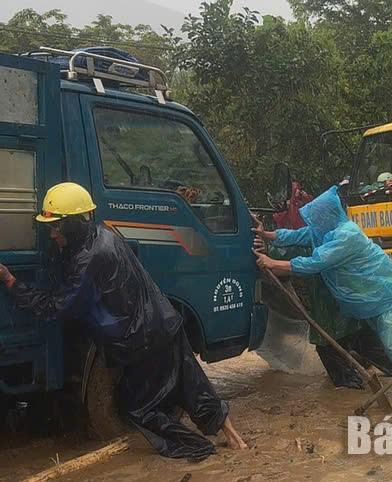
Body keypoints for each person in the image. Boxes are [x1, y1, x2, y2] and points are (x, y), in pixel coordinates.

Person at [0, 182, 247, 459]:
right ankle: (237, 443)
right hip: (165, 322)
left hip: (141, 341)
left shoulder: (88, 259)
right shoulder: (105, 234)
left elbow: (59, 307)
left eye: (56, 226)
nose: (53, 233)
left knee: (139, 408)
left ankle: (199, 449)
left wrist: (11, 282)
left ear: (72, 224)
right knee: (193, 384)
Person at [252, 186, 392, 396]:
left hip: (384, 295)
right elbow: (295, 235)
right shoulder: (323, 232)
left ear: (327, 216)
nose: (313, 223)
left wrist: (273, 262)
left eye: (315, 218)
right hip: (365, 301)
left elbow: (315, 262)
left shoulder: (347, 236)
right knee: (389, 346)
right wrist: (265, 234)